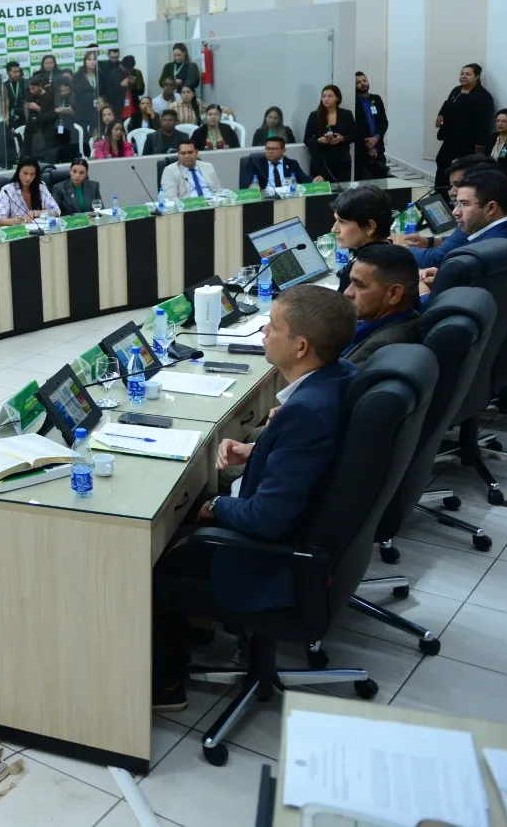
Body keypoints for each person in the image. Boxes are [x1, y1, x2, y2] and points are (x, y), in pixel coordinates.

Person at [151, 285, 357, 710]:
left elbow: (266, 520)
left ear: (300, 346)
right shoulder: (340, 379)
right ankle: (196, 632)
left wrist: (215, 507)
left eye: (273, 326)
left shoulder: (306, 412)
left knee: (151, 555)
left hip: (271, 560)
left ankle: (166, 684)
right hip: (310, 533)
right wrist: (259, 449)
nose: (263, 330)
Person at [416, 168, 507, 294]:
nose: (455, 212)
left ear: (491, 208)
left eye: (464, 204)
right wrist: (443, 277)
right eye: (456, 203)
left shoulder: (478, 253)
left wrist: (423, 294)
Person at [342, 244, 422, 366]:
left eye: (359, 285)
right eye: (350, 282)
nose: (347, 292)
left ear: (394, 294)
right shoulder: (384, 321)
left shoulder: (381, 349)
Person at [434, 62, 495, 188]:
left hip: (469, 140)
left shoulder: (483, 96)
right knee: (442, 160)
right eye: (462, 74)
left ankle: (461, 192)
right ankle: (440, 190)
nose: (463, 76)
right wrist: (440, 117)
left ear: (477, 77)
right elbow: (447, 106)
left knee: (465, 168)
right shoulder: (456, 90)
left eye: (468, 74)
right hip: (451, 136)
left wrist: (480, 145)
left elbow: (483, 122)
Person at [330, 184, 393, 291]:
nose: (334, 229)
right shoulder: (395, 253)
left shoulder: (356, 273)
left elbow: (341, 307)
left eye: (342, 222)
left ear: (369, 227)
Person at [305, 85, 357, 183]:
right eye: (323, 96)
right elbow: (307, 139)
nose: (326, 99)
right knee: (322, 194)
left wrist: (341, 139)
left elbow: (353, 135)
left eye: (330, 96)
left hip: (341, 161)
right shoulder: (314, 115)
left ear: (337, 98)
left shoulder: (346, 114)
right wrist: (318, 140)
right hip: (321, 162)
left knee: (342, 192)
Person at [0, 158, 59, 227]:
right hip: (18, 233)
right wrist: (11, 221)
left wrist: (35, 213)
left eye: (32, 174)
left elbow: (56, 212)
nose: (28, 178)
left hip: (40, 232)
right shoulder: (7, 190)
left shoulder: (41, 187)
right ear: (18, 172)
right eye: (25, 173)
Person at [241, 137, 312, 193]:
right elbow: (247, 180)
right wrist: (251, 186)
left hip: (288, 197)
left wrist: (314, 181)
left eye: (274, 149)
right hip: (265, 199)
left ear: (283, 150)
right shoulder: (256, 163)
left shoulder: (292, 163)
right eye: (268, 149)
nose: (270, 151)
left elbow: (305, 179)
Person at [353, 72, 389, 178]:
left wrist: (376, 139)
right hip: (361, 151)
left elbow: (384, 122)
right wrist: (368, 146)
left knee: (382, 185)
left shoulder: (376, 99)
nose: (362, 84)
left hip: (378, 149)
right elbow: (354, 127)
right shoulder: (352, 101)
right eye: (358, 82)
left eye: (364, 80)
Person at [73, 51, 101, 119]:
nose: (92, 62)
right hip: (83, 110)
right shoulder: (78, 76)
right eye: (89, 59)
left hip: (99, 109)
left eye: (94, 59)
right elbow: (76, 95)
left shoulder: (100, 74)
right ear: (85, 61)